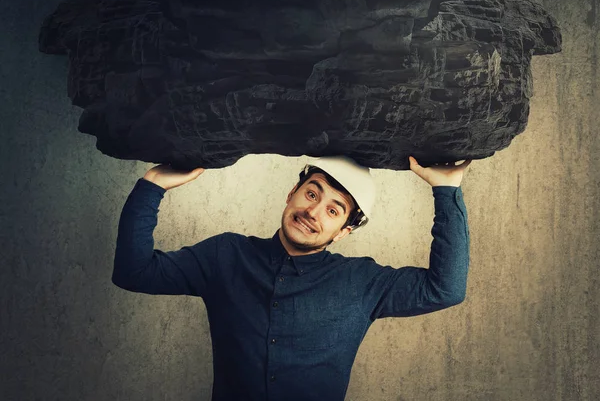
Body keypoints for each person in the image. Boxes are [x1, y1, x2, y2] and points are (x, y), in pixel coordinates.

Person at [112, 155, 472, 401]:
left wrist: (447, 191)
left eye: (333, 209)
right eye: (311, 193)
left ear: (343, 231)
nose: (313, 211)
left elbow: (445, 289)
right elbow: (135, 272)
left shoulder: (363, 282)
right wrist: (152, 185)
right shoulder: (225, 256)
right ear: (291, 195)